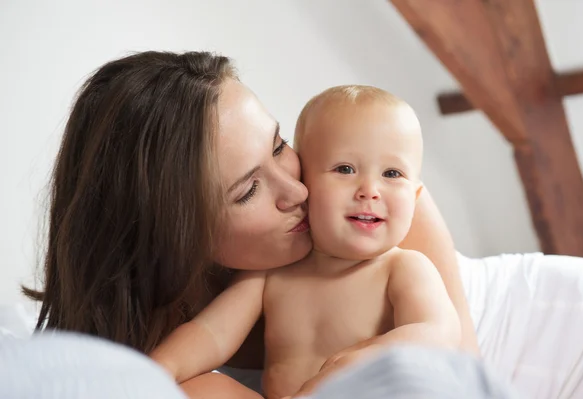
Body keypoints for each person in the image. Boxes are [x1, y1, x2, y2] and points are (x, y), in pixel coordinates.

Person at [24, 51, 478, 398]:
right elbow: (198, 344)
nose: (299, 192)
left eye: (279, 146)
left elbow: (455, 360)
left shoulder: (384, 209)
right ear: (178, 237)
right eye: (247, 190)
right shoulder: (249, 289)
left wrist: (365, 360)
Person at [150, 85, 462, 399]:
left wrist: (366, 358)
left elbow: (439, 334)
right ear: (305, 182)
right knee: (206, 388)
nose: (370, 190)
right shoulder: (272, 275)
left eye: (392, 173)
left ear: (416, 196)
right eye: (345, 169)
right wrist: (160, 368)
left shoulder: (403, 268)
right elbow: (212, 333)